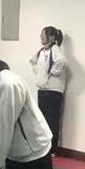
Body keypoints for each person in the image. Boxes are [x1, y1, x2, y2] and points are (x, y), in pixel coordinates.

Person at [29, 26, 66, 154]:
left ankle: (52, 149)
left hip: (53, 90)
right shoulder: (41, 51)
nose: (41, 36)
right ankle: (44, 147)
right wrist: (40, 74)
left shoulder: (55, 49)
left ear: (51, 37)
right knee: (42, 119)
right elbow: (32, 61)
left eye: (43, 34)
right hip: (43, 89)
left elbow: (61, 61)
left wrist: (51, 72)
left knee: (52, 120)